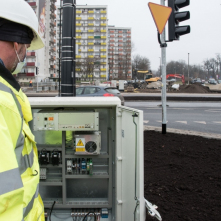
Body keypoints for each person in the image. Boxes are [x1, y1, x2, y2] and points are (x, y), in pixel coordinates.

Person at [0, 0, 45, 220]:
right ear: (17, 45)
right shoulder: (2, 101)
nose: (25, 54)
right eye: (26, 47)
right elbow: (4, 199)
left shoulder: (6, 92)